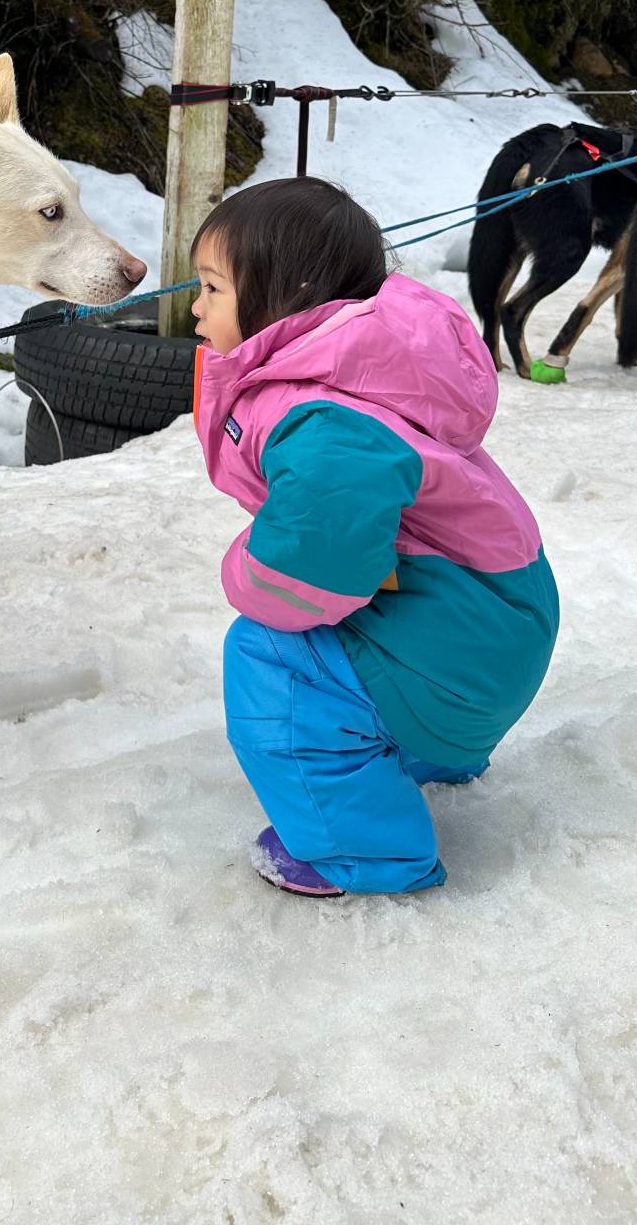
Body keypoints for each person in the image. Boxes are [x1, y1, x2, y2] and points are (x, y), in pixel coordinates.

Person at [190, 176, 558, 897]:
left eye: (211, 288)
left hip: (462, 651)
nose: (196, 307)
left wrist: (245, 566)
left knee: (270, 655)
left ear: (283, 295)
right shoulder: (364, 366)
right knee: (339, 631)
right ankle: (428, 752)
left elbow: (311, 572)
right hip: (491, 629)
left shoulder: (324, 417)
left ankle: (360, 854)